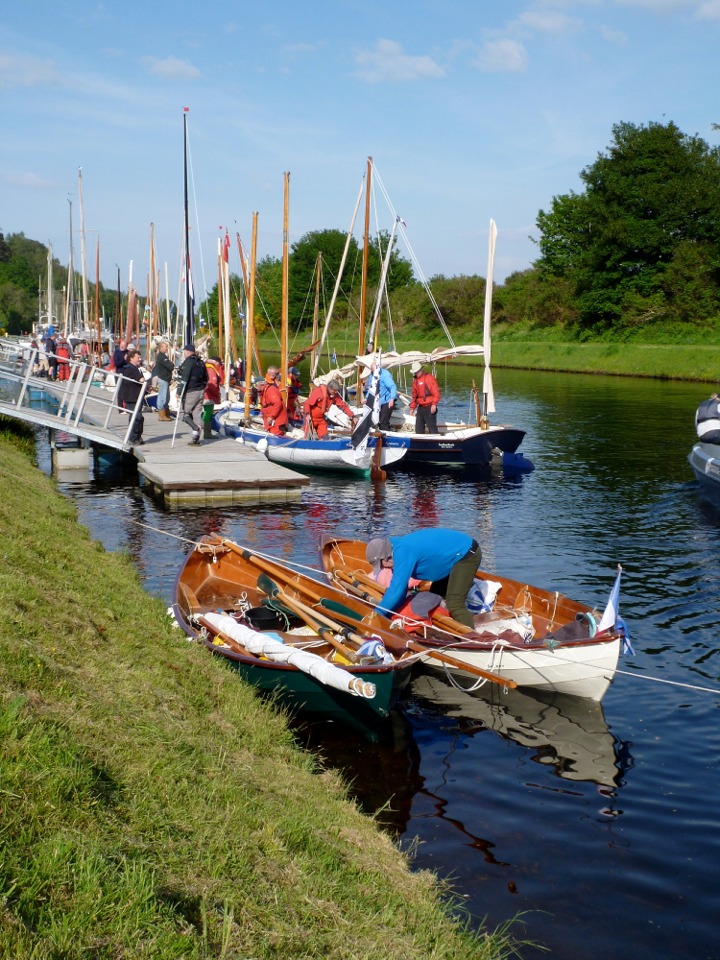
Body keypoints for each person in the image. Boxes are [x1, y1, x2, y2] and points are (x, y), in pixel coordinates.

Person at [366, 528, 482, 628]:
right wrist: (389, 613)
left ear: (385, 558)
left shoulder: (402, 552)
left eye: (381, 565)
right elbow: (401, 591)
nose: (383, 568)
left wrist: (377, 614)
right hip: (449, 559)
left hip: (466, 555)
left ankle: (472, 640)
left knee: (455, 603)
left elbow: (396, 590)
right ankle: (452, 627)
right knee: (433, 598)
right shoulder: (393, 550)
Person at [177, 343, 209, 445]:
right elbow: (206, 378)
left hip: (191, 391)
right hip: (201, 390)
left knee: (183, 413)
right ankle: (196, 438)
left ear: (186, 352)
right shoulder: (200, 362)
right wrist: (202, 388)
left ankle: (195, 428)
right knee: (196, 414)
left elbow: (184, 378)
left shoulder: (188, 362)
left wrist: (179, 392)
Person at [117, 348, 146, 445]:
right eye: (138, 357)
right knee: (136, 417)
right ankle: (132, 438)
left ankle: (137, 437)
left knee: (139, 418)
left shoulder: (135, 368)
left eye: (140, 357)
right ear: (131, 358)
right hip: (132, 397)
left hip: (136, 396)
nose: (140, 359)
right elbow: (141, 380)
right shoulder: (130, 368)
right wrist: (147, 382)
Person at [365, 358, 397, 431]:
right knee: (373, 419)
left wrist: (392, 398)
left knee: (383, 422)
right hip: (378, 401)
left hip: (387, 400)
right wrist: (366, 398)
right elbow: (371, 387)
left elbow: (393, 387)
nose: (373, 373)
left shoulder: (385, 375)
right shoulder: (372, 375)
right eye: (372, 371)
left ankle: (385, 434)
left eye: (374, 371)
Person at [409, 361, 441, 433]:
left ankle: (435, 442)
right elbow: (414, 396)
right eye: (414, 373)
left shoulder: (429, 378)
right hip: (420, 407)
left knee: (432, 429)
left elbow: (436, 393)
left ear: (420, 370)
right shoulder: (415, 381)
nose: (415, 374)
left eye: (416, 372)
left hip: (429, 407)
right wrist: (412, 408)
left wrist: (434, 404)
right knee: (418, 429)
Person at [259, 366, 288, 436]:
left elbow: (278, 403)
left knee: (276, 432)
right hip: (270, 415)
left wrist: (272, 417)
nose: (272, 374)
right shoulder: (267, 387)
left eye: (274, 373)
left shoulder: (270, 389)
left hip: (276, 418)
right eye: (270, 373)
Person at [151, 341, 175, 422]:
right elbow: (170, 366)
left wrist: (170, 364)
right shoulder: (161, 356)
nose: (167, 348)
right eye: (166, 347)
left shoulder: (163, 356)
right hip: (163, 378)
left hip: (166, 379)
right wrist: (171, 364)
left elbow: (170, 365)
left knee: (167, 397)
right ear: (161, 348)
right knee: (163, 397)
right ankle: (161, 414)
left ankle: (166, 413)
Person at [202, 356, 224, 439]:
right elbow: (212, 383)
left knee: (206, 413)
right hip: (209, 396)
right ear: (217, 363)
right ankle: (207, 433)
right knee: (208, 413)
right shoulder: (211, 369)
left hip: (204, 393)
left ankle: (204, 430)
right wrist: (217, 394)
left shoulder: (206, 366)